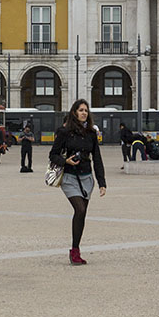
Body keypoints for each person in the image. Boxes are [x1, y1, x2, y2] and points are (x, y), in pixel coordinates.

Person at [49, 99, 107, 265]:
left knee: (82, 215)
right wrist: (65, 161)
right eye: (81, 110)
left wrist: (102, 182)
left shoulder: (91, 133)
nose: (84, 113)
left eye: (86, 111)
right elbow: (53, 155)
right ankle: (75, 251)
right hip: (69, 177)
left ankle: (75, 249)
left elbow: (97, 158)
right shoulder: (64, 132)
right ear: (74, 112)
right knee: (79, 209)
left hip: (86, 178)